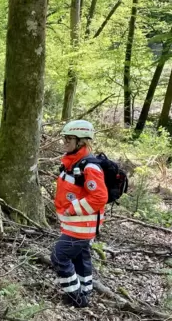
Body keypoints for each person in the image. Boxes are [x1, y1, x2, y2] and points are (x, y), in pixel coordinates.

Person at [51, 120, 108, 308]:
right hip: (75, 225)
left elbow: (99, 196)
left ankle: (75, 297)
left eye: (69, 139)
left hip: (81, 227)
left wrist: (73, 208)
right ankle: (84, 293)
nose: (64, 142)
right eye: (64, 138)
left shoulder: (89, 166)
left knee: (59, 256)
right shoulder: (72, 162)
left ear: (81, 142)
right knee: (80, 258)